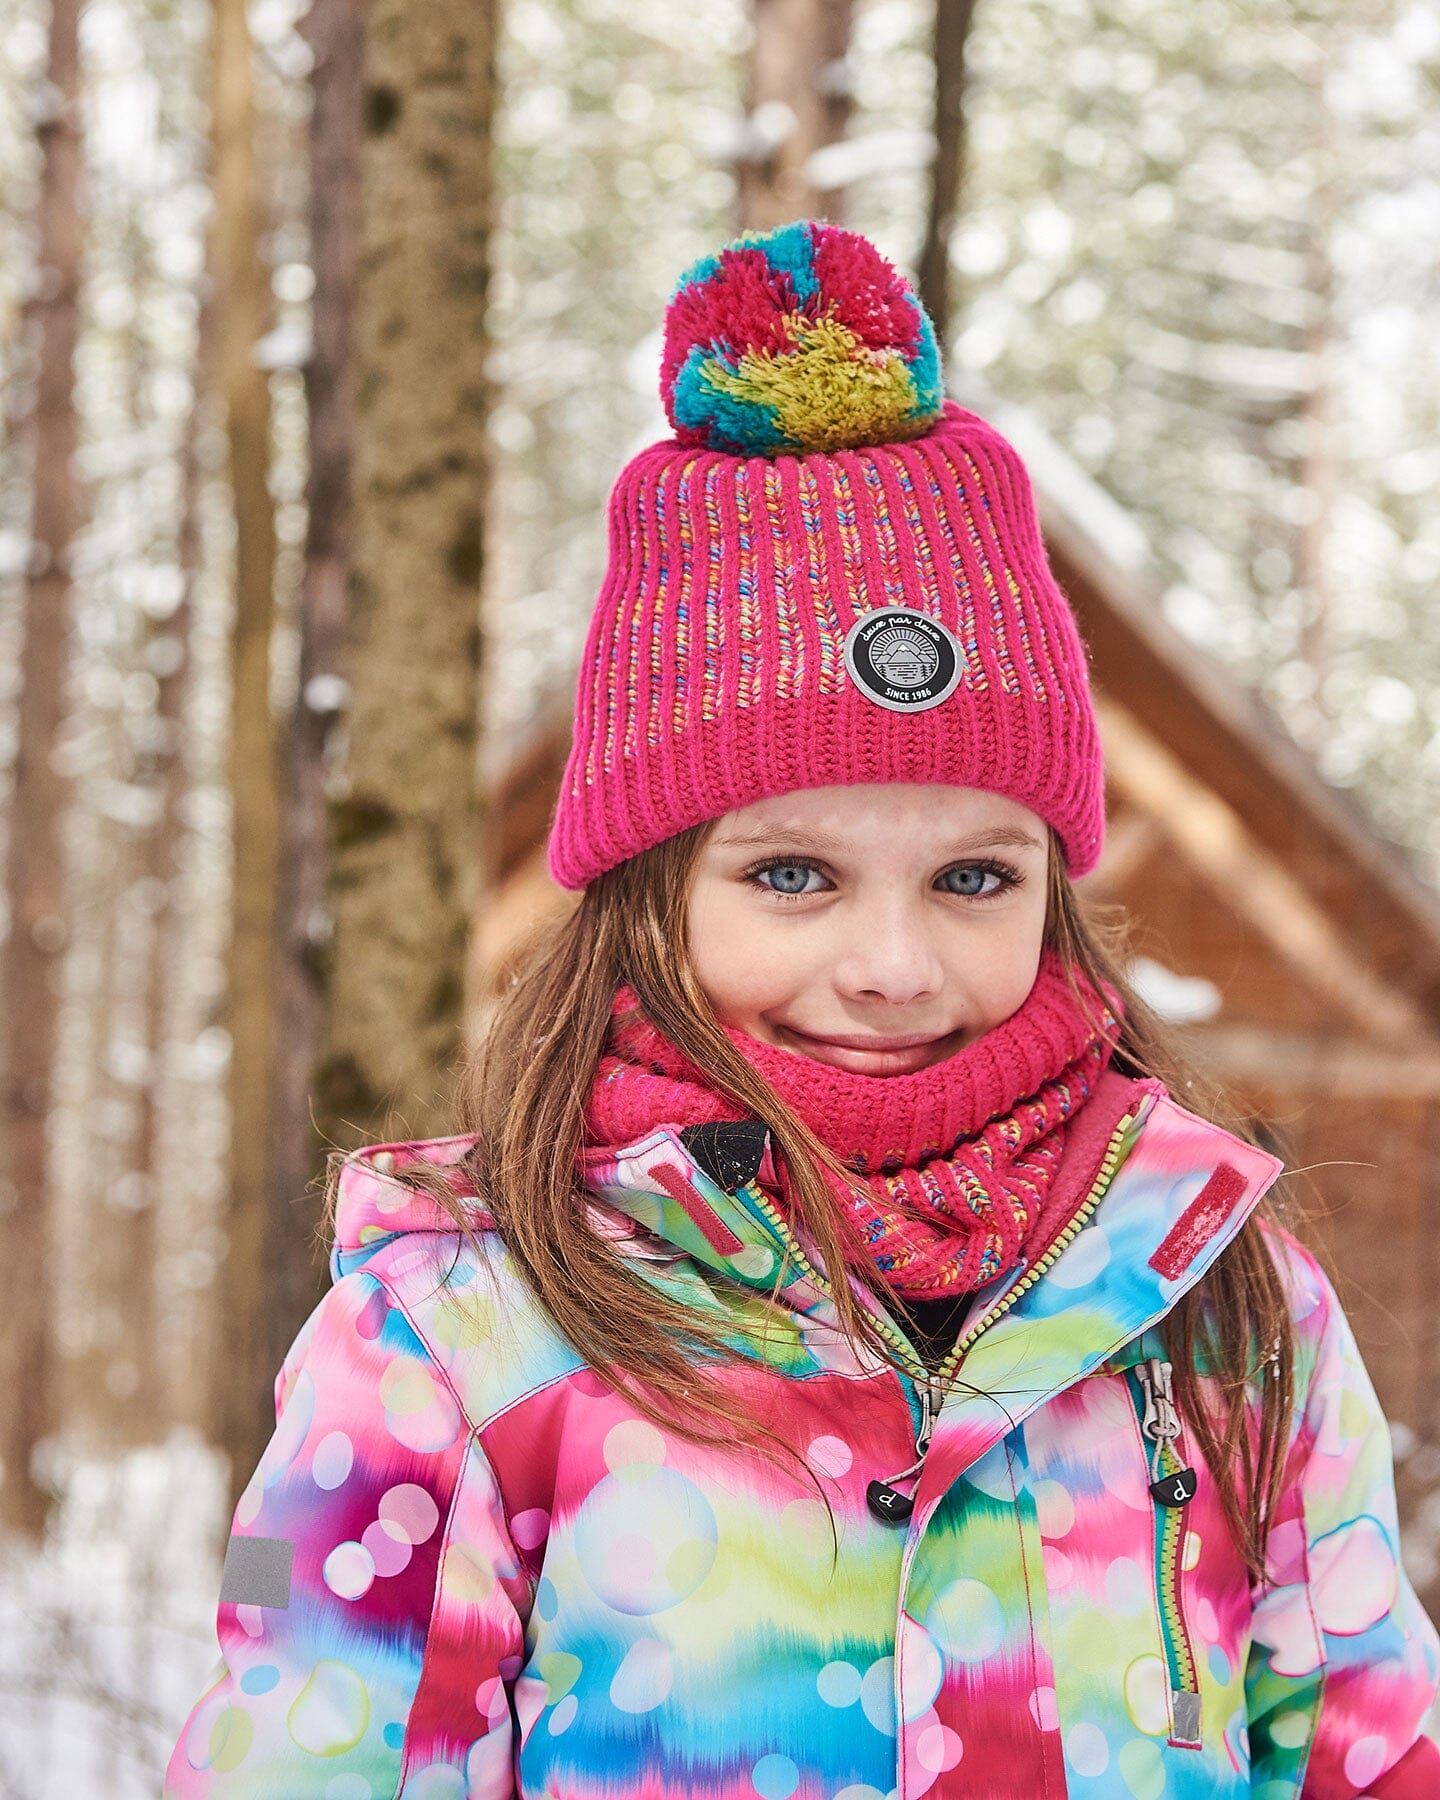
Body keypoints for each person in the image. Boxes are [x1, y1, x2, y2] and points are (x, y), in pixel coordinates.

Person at [165, 220, 1440, 1799]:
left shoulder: (1231, 1311)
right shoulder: (455, 1336)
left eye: (975, 879)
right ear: (651, 895)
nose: (894, 963)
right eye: (792, 876)